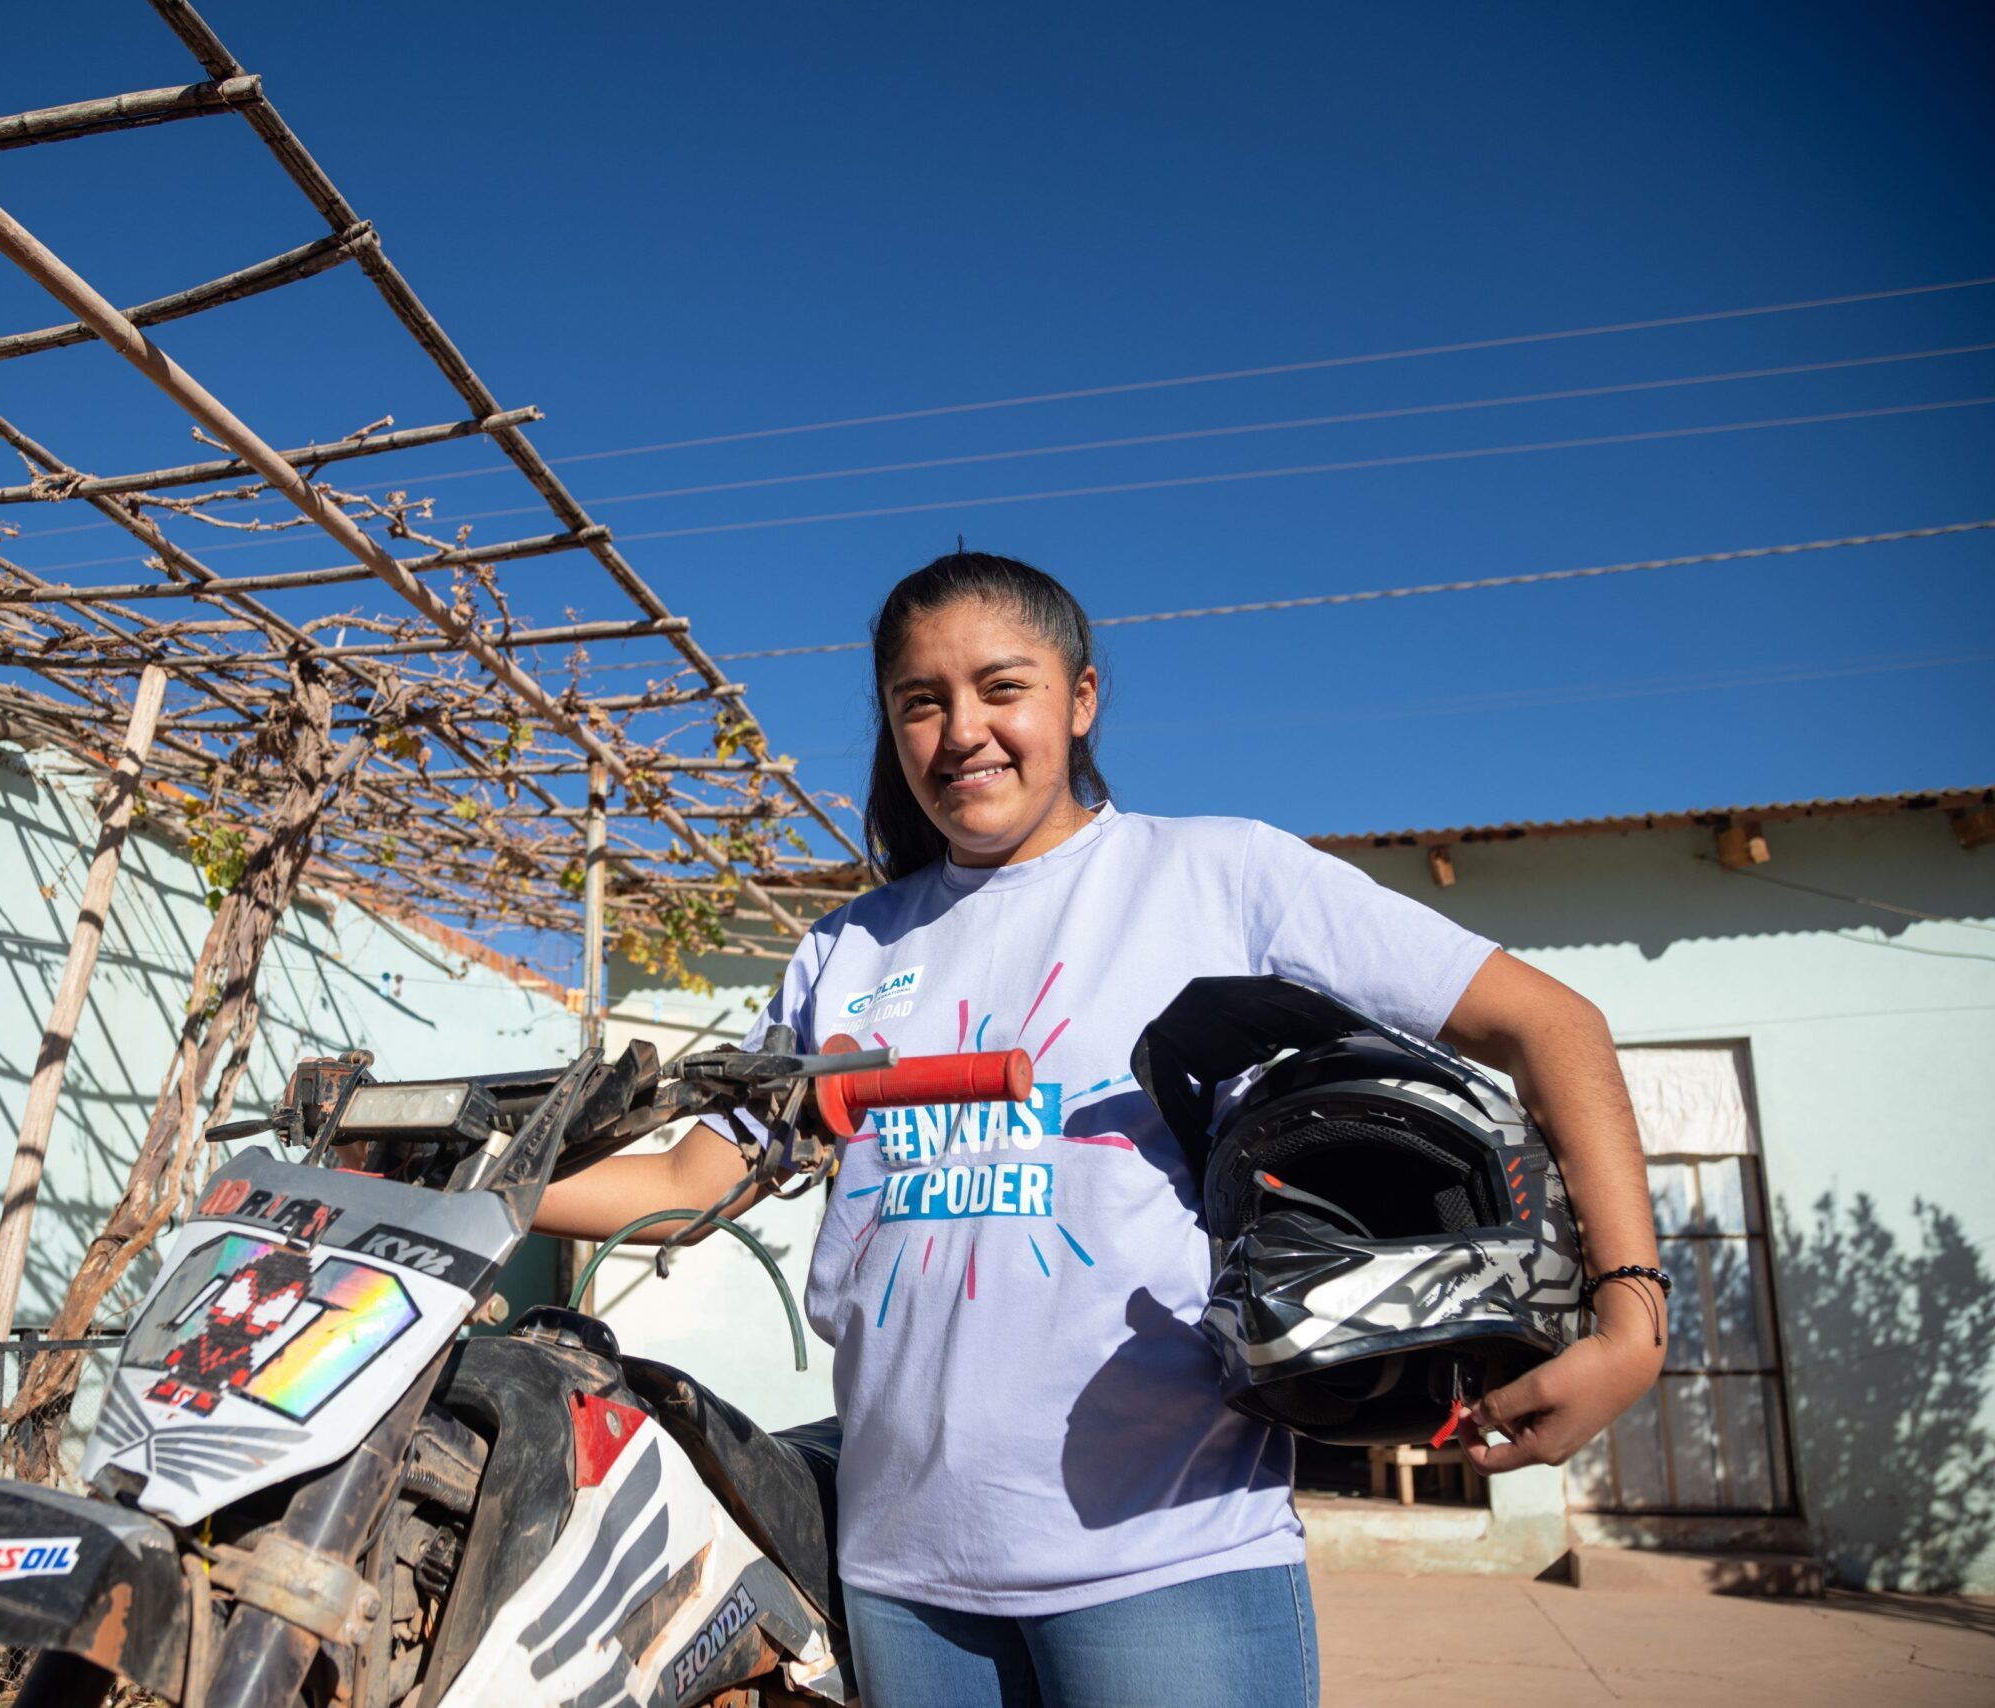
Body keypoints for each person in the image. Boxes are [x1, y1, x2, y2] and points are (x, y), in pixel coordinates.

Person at [536, 552, 1665, 1708]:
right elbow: (688, 1173)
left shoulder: (1220, 875)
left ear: (1078, 699)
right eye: (920, 702)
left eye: (999, 687)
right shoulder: (844, 952)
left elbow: (1551, 1024)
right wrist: (469, 1191)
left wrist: (1630, 1317)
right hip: (903, 1580)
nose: (960, 730)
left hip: (1167, 1560)